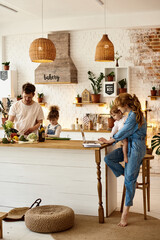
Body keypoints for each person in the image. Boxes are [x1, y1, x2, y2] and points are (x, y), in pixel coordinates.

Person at [98, 93, 147, 227]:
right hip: (129, 145)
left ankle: (125, 214)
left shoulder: (134, 116)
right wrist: (111, 139)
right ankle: (129, 177)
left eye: (119, 105)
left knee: (129, 180)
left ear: (125, 105)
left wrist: (110, 140)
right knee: (109, 159)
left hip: (137, 147)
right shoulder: (130, 115)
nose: (118, 108)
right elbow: (121, 132)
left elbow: (123, 132)